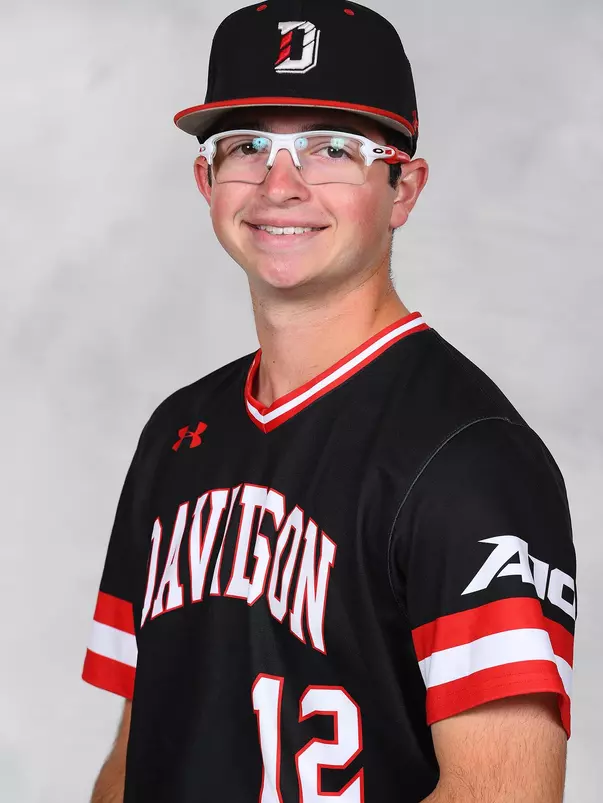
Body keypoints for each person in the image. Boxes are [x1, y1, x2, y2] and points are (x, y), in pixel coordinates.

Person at [83, 2, 576, 801]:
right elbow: (137, 746)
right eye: (248, 147)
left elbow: (500, 794)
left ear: (402, 187)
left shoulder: (472, 458)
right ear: (206, 179)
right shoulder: (176, 432)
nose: (281, 184)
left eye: (331, 149)